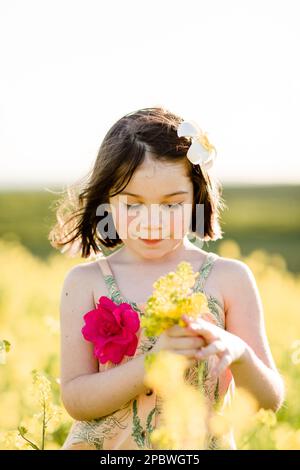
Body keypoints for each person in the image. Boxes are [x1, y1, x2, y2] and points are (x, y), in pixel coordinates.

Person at [49, 106, 285, 450]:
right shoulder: (87, 282)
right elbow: (76, 399)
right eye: (132, 205)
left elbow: (269, 400)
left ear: (196, 198)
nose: (152, 221)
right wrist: (152, 363)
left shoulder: (229, 278)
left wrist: (239, 354)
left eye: (172, 205)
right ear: (107, 201)